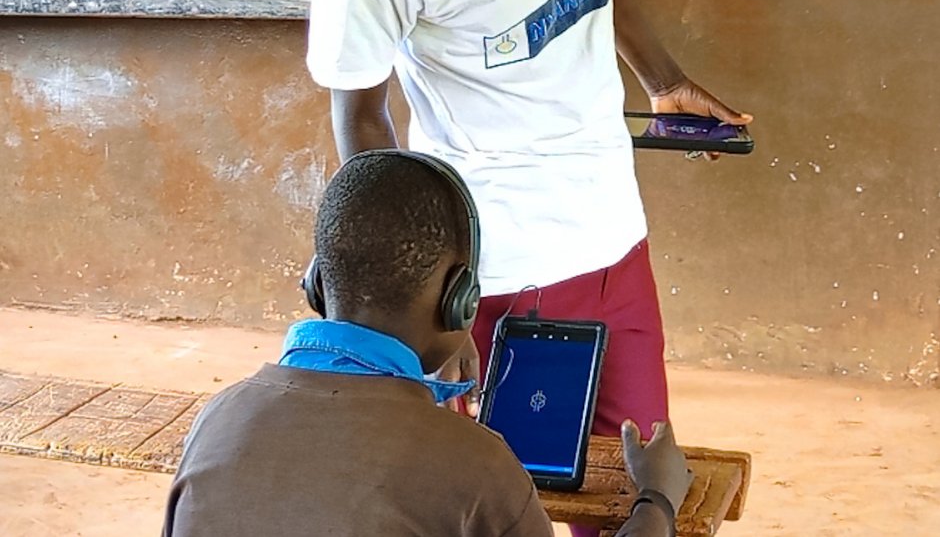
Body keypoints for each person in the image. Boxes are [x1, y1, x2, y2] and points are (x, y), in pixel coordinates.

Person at [306, 0, 749, 532]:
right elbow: (363, 123)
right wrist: (406, 310)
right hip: (480, 272)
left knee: (636, 490)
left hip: (610, 235)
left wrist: (663, 76)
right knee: (492, 506)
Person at [161, 150, 692, 537]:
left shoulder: (217, 421)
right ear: (460, 299)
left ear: (317, 284)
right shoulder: (475, 464)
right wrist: (657, 500)